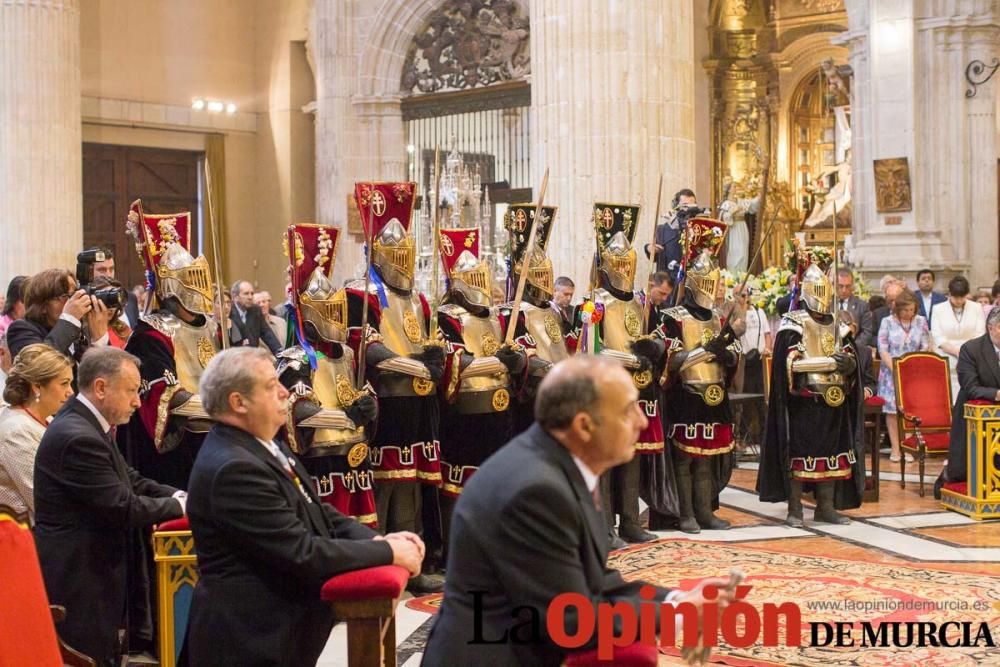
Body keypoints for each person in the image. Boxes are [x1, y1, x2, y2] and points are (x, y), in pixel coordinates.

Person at [422, 356, 734, 667]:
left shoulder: (557, 466)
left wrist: (678, 599)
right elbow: (570, 620)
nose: (642, 421)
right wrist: (677, 615)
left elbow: (595, 581)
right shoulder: (536, 491)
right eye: (628, 410)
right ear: (584, 425)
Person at [185, 347, 423, 667]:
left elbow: (317, 511)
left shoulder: (261, 445)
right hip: (246, 640)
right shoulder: (234, 467)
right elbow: (301, 553)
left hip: (272, 632)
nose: (285, 392)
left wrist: (377, 540)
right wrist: (389, 554)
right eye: (271, 386)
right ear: (238, 402)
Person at [34, 347, 185, 665]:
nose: (137, 401)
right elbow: (123, 507)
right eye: (131, 391)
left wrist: (179, 495)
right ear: (101, 387)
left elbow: (130, 479)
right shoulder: (78, 437)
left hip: (93, 573)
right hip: (78, 580)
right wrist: (181, 508)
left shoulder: (87, 423)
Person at [346, 181, 444, 594]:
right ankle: (381, 566)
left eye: (408, 255)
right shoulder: (359, 292)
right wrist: (417, 365)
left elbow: (427, 339)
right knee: (384, 487)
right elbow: (366, 348)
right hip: (384, 401)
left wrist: (434, 359)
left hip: (418, 405)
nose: (402, 263)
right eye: (396, 255)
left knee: (412, 486)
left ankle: (414, 566)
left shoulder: (420, 300)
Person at [571, 203, 665, 545]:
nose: (624, 267)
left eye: (628, 262)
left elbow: (653, 337)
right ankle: (604, 526)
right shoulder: (593, 301)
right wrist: (629, 358)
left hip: (637, 390)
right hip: (607, 389)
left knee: (632, 454)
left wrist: (654, 349)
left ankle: (630, 520)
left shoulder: (641, 300)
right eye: (618, 262)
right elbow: (589, 348)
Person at [277, 223, 378, 526]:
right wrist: (346, 416)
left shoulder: (347, 353)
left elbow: (360, 390)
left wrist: (369, 405)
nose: (336, 319)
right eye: (329, 311)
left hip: (354, 453)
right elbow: (298, 410)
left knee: (363, 525)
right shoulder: (295, 358)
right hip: (321, 458)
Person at [758, 250, 865, 527]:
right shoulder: (793, 323)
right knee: (801, 457)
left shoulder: (837, 325)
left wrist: (848, 365)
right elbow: (788, 363)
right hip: (805, 401)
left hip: (835, 399)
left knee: (832, 456)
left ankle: (826, 507)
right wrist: (827, 362)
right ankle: (795, 508)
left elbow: (853, 358)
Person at [436, 226, 527, 543]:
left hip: (501, 411)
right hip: (466, 412)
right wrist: (502, 361)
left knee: (499, 481)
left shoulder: (499, 316)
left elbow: (517, 351)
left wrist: (517, 362)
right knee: (461, 483)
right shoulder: (448, 316)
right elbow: (457, 364)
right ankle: (456, 549)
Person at [122, 200, 220, 490]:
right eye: (190, 279)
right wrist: (226, 408)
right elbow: (168, 395)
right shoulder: (151, 333)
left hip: (214, 435)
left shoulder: (210, 326)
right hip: (180, 444)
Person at [659, 218, 740, 534]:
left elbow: (733, 358)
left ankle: (705, 511)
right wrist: (704, 351)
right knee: (684, 458)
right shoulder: (673, 317)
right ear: (692, 282)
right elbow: (670, 358)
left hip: (714, 393)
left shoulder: (719, 319)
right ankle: (685, 514)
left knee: (707, 458)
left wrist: (724, 354)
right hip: (686, 395)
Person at [498, 202, 568, 435]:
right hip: (532, 395)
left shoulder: (553, 309)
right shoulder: (515, 312)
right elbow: (523, 355)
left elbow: (563, 346)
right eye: (540, 275)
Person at [0, 345, 73, 521]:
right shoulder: (15, 431)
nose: (71, 392)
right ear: (37, 387)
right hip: (24, 538)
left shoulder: (47, 420)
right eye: (64, 384)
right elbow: (43, 500)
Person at [940, 307, 1000, 489]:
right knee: (962, 472)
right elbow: (971, 388)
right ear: (991, 327)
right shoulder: (971, 349)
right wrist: (997, 394)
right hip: (974, 416)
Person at [7, 268, 113, 361]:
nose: (75, 301)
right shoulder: (21, 329)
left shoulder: (80, 332)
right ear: (42, 305)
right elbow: (38, 366)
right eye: (66, 296)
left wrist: (99, 340)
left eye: (76, 294)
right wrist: (69, 319)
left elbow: (105, 376)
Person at [877, 289, 931, 463]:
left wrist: (914, 365)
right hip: (891, 372)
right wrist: (895, 367)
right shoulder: (887, 322)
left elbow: (925, 345)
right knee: (892, 411)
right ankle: (895, 448)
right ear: (897, 309)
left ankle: (908, 447)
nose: (909, 313)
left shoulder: (921, 321)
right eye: (905, 310)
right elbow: (883, 348)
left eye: (912, 310)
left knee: (910, 411)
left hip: (914, 373)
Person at [931, 275, 985, 398]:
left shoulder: (976, 307)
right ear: (949, 294)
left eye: (962, 297)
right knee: (948, 397)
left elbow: (980, 333)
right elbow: (938, 337)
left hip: (971, 357)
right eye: (955, 297)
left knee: (969, 395)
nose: (959, 301)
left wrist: (966, 352)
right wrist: (957, 352)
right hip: (946, 357)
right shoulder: (938, 309)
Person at [644, 188, 704, 275]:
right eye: (685, 206)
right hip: (666, 282)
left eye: (692, 207)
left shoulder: (700, 230)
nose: (688, 211)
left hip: (690, 281)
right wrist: (648, 248)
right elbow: (656, 257)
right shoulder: (662, 230)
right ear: (676, 206)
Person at [92, 246, 142, 328]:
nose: (108, 275)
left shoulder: (130, 298)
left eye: (111, 269)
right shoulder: (84, 302)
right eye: (102, 270)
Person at [229, 279, 283, 354]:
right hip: (235, 358)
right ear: (235, 296)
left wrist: (280, 354)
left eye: (252, 293)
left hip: (252, 357)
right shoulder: (228, 312)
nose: (250, 297)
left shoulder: (255, 310)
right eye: (246, 294)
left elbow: (267, 334)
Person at [718, 180, 760, 274]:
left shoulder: (740, 201)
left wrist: (760, 195)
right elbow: (724, 218)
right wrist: (734, 211)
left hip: (743, 229)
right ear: (728, 190)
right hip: (733, 232)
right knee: (736, 253)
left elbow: (753, 205)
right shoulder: (726, 204)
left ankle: (742, 277)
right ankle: (732, 278)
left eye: (736, 187)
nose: (736, 189)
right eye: (734, 187)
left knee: (744, 254)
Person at [836, 268, 873, 348]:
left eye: (848, 286)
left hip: (854, 351)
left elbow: (867, 332)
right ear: (834, 285)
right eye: (840, 286)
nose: (844, 290)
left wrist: (853, 347)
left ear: (852, 286)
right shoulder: (828, 304)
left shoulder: (862, 306)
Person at [869, 278, 904, 349]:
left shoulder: (912, 312)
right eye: (891, 300)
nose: (894, 303)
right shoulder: (878, 314)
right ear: (886, 299)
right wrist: (886, 342)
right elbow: (871, 337)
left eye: (897, 300)